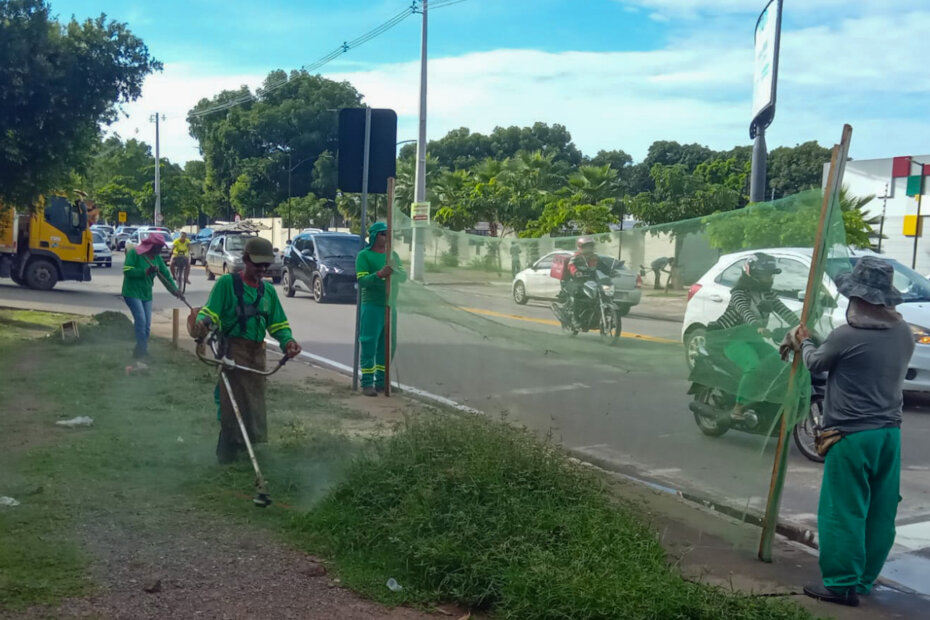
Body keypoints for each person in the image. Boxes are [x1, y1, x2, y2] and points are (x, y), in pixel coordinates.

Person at [797, 257, 913, 607]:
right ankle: (863, 580)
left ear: (857, 300)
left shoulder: (846, 335)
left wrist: (802, 341)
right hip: (889, 435)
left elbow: (816, 362)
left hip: (850, 437)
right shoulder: (903, 332)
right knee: (880, 510)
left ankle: (841, 584)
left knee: (843, 509)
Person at [191, 237, 302, 464]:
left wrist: (288, 342)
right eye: (257, 264)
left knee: (254, 404)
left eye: (265, 266)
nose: (262, 270)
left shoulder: (268, 292)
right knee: (231, 403)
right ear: (245, 260)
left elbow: (278, 324)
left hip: (256, 354)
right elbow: (211, 312)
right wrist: (202, 324)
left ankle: (250, 450)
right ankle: (228, 453)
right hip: (233, 351)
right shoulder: (227, 284)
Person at [708, 252, 798, 420]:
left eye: (770, 274)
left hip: (754, 340)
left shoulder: (768, 294)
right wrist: (757, 326)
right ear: (753, 273)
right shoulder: (739, 293)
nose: (769, 278)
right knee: (754, 367)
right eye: (765, 274)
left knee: (781, 364)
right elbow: (745, 311)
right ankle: (738, 407)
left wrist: (802, 324)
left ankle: (767, 402)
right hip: (732, 339)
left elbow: (784, 310)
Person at [356, 222, 407, 397]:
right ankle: (367, 383)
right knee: (369, 342)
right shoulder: (364, 256)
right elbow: (362, 281)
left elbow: (403, 277)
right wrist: (379, 274)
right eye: (383, 234)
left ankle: (382, 381)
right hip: (372, 306)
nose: (387, 237)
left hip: (390, 306)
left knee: (388, 345)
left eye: (389, 234)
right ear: (375, 236)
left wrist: (395, 272)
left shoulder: (392, 256)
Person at [121, 233, 180, 359]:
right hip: (131, 292)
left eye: (161, 248)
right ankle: (143, 352)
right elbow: (127, 271)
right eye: (158, 247)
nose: (160, 250)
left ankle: (139, 350)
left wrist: (175, 291)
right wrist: (145, 272)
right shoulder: (134, 253)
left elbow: (166, 277)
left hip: (146, 294)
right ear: (151, 246)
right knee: (141, 320)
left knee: (147, 326)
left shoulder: (157, 258)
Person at [560, 236, 600, 329]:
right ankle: (575, 318)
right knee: (577, 295)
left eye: (591, 246)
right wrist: (576, 272)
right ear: (581, 247)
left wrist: (612, 272)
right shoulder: (576, 257)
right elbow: (571, 266)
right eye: (587, 246)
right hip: (574, 281)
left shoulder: (594, 257)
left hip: (589, 282)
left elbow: (602, 266)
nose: (589, 248)